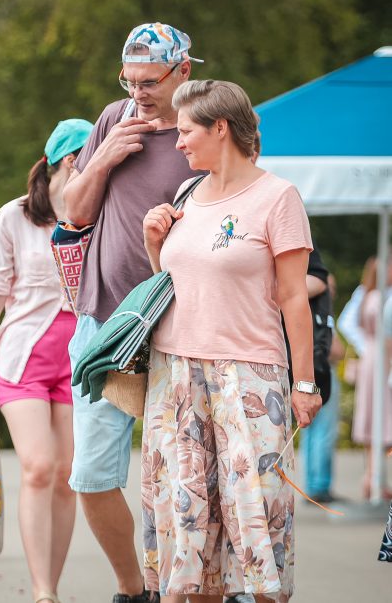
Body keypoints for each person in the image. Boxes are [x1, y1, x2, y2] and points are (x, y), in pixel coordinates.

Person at [141, 79, 321, 602]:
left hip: (247, 376)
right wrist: (155, 246)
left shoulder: (278, 197)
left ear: (220, 128)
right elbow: (174, 288)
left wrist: (305, 382)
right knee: (189, 524)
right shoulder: (186, 195)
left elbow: (293, 298)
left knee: (255, 521)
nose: (177, 143)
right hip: (176, 377)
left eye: (185, 131)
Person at [62, 21, 204, 603]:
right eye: (129, 80)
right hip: (105, 324)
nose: (137, 92)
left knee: (186, 475)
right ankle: (132, 588)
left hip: (183, 326)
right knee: (92, 476)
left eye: (149, 81)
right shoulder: (112, 118)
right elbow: (72, 212)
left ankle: (186, 586)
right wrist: (105, 157)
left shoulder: (207, 127)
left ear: (184, 71)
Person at [0, 118, 93, 603]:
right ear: (74, 160)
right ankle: (41, 593)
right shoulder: (12, 216)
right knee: (37, 466)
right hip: (21, 359)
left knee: (67, 474)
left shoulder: (96, 213)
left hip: (79, 362)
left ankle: (52, 583)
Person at [299, 270, 344, 504]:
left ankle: (311, 483)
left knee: (310, 432)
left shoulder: (301, 312)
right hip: (324, 373)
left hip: (308, 372)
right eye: (331, 289)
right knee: (324, 431)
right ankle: (320, 485)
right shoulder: (322, 315)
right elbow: (337, 350)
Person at [351, 257, 392, 499]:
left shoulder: (366, 296)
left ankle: (371, 475)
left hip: (368, 356)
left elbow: (355, 325)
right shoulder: (382, 299)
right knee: (383, 416)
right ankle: (374, 477)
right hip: (380, 361)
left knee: (371, 415)